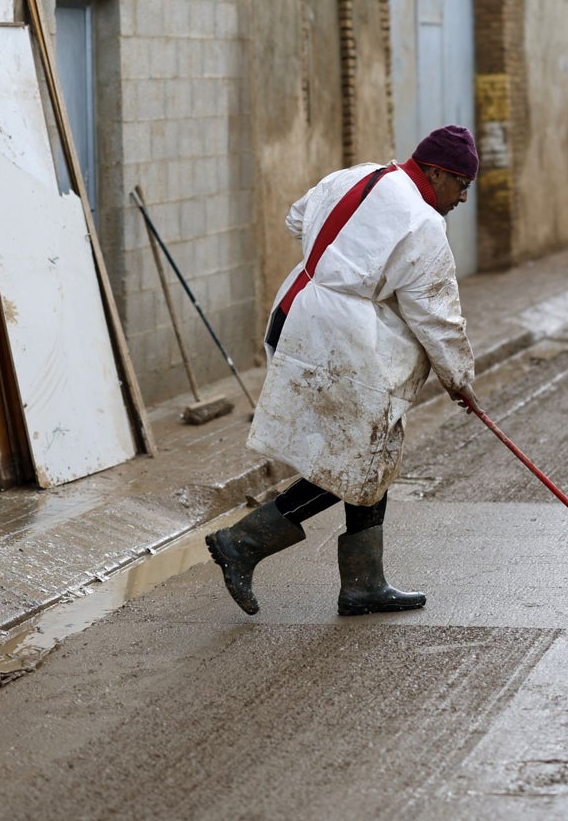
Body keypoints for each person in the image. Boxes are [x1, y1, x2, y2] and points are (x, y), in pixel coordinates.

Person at [206, 125, 481, 617]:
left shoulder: (357, 175)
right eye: (460, 184)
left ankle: (364, 583)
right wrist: (459, 379)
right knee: (354, 457)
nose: (462, 197)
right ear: (436, 171)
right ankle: (244, 542)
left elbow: (297, 218)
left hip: (297, 313)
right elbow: (435, 313)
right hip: (338, 338)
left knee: (367, 452)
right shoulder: (423, 223)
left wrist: (337, 262)